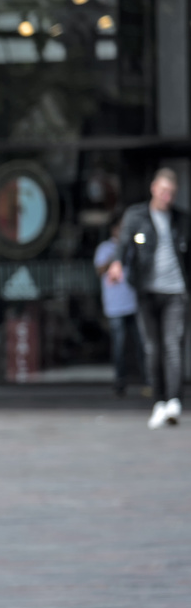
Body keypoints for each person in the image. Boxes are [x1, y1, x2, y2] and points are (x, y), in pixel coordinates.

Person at [110, 168, 187, 428]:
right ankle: (159, 402)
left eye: (172, 193)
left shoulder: (181, 220)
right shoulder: (137, 216)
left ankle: (175, 401)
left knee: (172, 345)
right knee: (153, 349)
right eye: (164, 191)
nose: (168, 197)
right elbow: (124, 246)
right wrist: (118, 264)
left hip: (176, 291)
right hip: (147, 292)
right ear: (154, 188)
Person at [94, 214, 143, 397]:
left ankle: (148, 380)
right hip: (115, 306)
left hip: (133, 303)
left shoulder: (132, 246)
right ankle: (120, 382)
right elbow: (99, 270)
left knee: (141, 345)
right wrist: (117, 253)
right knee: (119, 346)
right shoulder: (105, 248)